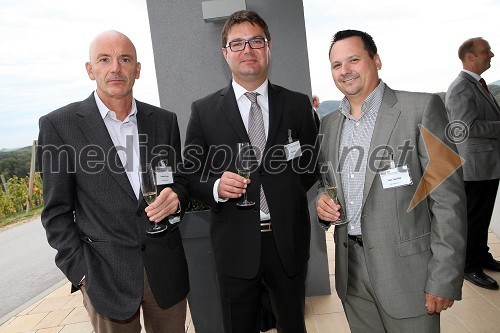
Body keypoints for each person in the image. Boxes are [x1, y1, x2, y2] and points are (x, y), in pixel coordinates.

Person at [38, 30, 189, 333]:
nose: (116, 68)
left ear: (138, 69)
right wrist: (81, 273)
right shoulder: (59, 126)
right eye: (104, 59)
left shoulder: (164, 121)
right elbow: (55, 213)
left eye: (125, 59)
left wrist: (177, 198)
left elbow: (179, 181)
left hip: (165, 270)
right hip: (105, 277)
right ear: (90, 70)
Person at [316, 30, 467, 332]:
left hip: (408, 276)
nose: (344, 70)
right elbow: (325, 183)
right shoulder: (328, 125)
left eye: (354, 60)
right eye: (336, 65)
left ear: (377, 60)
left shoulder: (421, 109)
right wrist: (322, 203)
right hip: (351, 274)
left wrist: (444, 277)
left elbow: (448, 200)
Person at [184, 10, 318, 333]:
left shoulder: (298, 105)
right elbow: (189, 173)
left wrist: (283, 191)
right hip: (235, 243)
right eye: (238, 43)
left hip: (287, 241)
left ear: (269, 46)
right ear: (225, 52)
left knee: (293, 325)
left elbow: (311, 166)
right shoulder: (203, 111)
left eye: (256, 41)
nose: (248, 49)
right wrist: (216, 187)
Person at [445, 37, 500, 290]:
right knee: (474, 219)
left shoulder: (477, 84)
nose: (491, 55)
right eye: (485, 51)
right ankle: (469, 267)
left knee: (482, 217)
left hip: (487, 165)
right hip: (475, 168)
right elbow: (465, 128)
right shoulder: (461, 87)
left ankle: (482, 256)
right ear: (470, 56)